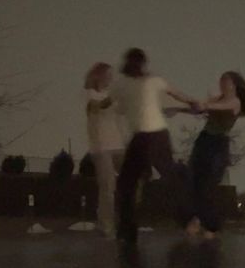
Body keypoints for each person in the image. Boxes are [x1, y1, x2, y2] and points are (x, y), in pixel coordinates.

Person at [111, 48, 199, 244]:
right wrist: (190, 102)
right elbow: (176, 94)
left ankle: (128, 229)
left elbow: (175, 94)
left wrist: (190, 103)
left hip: (151, 135)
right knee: (135, 181)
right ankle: (128, 229)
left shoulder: (138, 82)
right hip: (149, 136)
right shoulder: (143, 81)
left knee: (133, 182)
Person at [184, 72, 245, 239]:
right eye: (221, 81)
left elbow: (214, 107)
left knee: (209, 183)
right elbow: (199, 108)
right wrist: (178, 109)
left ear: (234, 84)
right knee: (195, 180)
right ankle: (199, 220)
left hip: (218, 144)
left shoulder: (235, 102)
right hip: (204, 140)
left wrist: (205, 105)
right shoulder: (217, 100)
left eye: (226, 81)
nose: (222, 84)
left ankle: (210, 226)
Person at [84, 62, 125, 238]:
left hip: (118, 145)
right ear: (98, 75)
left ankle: (124, 221)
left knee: (131, 180)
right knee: (108, 185)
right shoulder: (89, 93)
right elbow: (97, 106)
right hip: (101, 147)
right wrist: (113, 97)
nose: (111, 78)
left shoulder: (112, 94)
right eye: (108, 74)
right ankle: (106, 226)